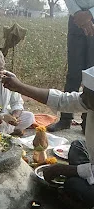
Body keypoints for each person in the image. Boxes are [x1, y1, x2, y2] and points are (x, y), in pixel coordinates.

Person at [2, 66, 94, 208]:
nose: (82, 97)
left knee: (73, 185)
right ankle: (83, 177)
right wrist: (19, 87)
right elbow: (62, 100)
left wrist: (62, 170)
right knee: (77, 146)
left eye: (86, 95)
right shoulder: (89, 100)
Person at [47, 0, 94, 133]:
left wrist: (90, 14)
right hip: (76, 20)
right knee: (73, 73)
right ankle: (65, 119)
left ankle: (88, 122)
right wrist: (78, 14)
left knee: (93, 75)